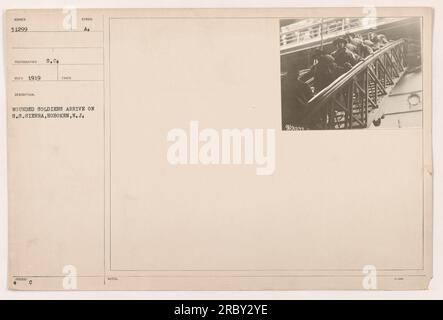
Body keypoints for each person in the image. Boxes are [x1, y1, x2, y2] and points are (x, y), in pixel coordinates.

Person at [281, 64, 314, 128]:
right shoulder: (303, 86)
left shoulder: (281, 83)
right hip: (299, 116)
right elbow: (311, 99)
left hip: (284, 116)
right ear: (298, 74)